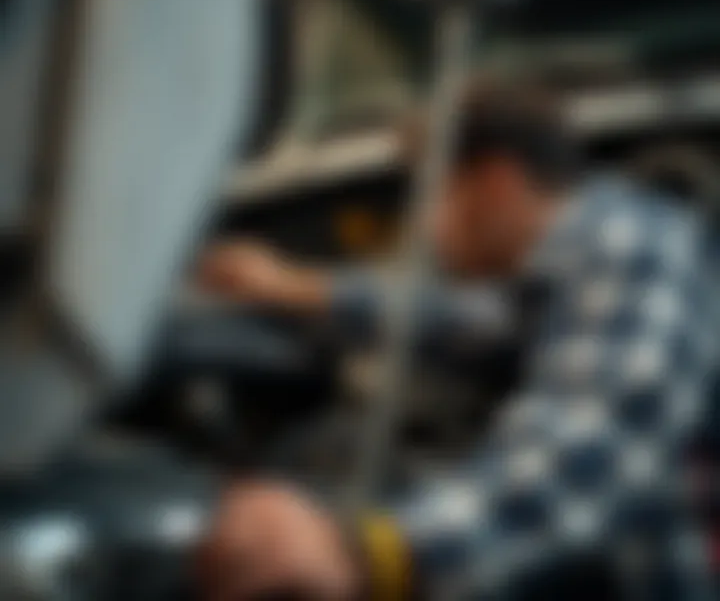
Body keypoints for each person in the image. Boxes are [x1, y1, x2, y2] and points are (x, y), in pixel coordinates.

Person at [196, 77, 718, 600]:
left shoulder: (634, 247)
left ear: (493, 184)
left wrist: (374, 554)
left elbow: (598, 441)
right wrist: (295, 288)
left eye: (430, 195)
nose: (424, 229)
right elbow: (467, 319)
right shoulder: (562, 269)